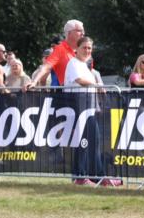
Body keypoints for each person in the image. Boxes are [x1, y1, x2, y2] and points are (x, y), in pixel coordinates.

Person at [64, 36, 117, 186]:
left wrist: (97, 86)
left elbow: (88, 82)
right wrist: (98, 85)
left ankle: (98, 176)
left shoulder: (84, 65)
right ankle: (80, 177)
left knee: (94, 140)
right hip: (79, 106)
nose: (87, 50)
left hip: (89, 107)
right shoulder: (73, 63)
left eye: (89, 48)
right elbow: (80, 81)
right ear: (77, 49)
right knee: (84, 141)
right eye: (84, 47)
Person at [28, 20, 84, 90]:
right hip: (65, 96)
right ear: (69, 33)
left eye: (83, 31)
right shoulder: (60, 49)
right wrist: (34, 81)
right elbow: (46, 67)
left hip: (84, 94)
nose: (83, 33)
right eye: (79, 31)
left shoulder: (84, 49)